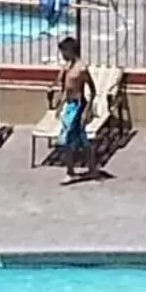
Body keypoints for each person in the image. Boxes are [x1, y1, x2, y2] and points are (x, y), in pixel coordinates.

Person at [53, 35, 95, 183]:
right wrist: (60, 107)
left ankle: (70, 172)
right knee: (83, 139)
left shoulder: (81, 69)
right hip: (69, 106)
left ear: (70, 50)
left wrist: (86, 111)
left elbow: (93, 90)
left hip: (78, 106)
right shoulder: (68, 66)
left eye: (64, 51)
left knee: (67, 140)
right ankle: (92, 169)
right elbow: (65, 88)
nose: (62, 55)